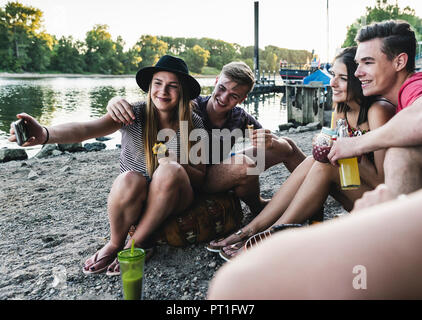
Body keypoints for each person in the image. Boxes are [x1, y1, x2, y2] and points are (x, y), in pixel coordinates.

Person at [8, 55, 207, 275]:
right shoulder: (133, 113)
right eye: (158, 83)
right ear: (149, 86)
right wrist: (45, 134)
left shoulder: (194, 124)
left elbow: (200, 178)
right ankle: (114, 242)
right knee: (129, 178)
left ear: (183, 92)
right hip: (137, 199)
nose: (163, 91)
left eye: (173, 86)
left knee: (170, 169)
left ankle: (136, 243)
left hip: (176, 199)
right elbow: (86, 129)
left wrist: (177, 163)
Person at [217, 47, 396, 261]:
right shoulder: (341, 108)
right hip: (349, 191)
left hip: (378, 203)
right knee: (315, 159)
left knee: (324, 164)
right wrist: (329, 147)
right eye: (333, 76)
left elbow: (385, 182)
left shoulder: (378, 111)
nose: (332, 83)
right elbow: (332, 149)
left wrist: (349, 148)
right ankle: (253, 229)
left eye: (342, 78)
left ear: (359, 79)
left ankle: (272, 234)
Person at [106, 61, 307, 249]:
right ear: (216, 81)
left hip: (217, 168)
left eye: (234, 96)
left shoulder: (239, 117)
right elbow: (158, 104)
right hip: (194, 175)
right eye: (222, 88)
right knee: (246, 164)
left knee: (286, 145)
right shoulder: (190, 107)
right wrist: (115, 101)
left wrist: (267, 139)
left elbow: (266, 139)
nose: (224, 97)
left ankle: (315, 181)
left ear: (243, 98)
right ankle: (258, 205)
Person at [207, 187, 422, 299]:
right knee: (316, 161)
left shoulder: (385, 107)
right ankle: (257, 230)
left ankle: (265, 231)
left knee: (238, 284)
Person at [328, 20, 422, 199]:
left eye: (368, 62)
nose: (357, 73)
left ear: (399, 62)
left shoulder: (414, 86)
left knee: (399, 154)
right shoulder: (400, 97)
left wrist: (355, 144)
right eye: (358, 63)